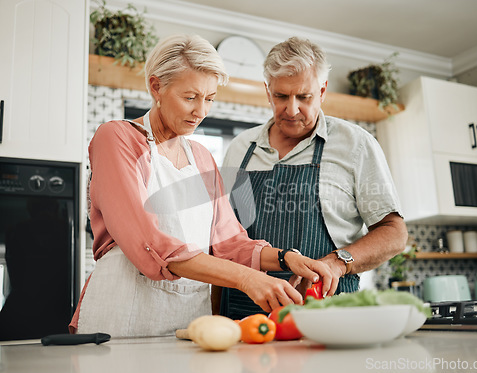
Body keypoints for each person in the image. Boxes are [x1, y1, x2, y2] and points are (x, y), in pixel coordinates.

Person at [69, 34, 334, 337]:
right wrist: (246, 279)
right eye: (190, 97)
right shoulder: (117, 139)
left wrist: (289, 258)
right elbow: (149, 244)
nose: (202, 112)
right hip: (122, 314)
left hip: (187, 319)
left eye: (209, 99)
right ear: (157, 87)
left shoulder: (203, 158)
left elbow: (229, 243)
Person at [221, 36, 408, 320]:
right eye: (281, 96)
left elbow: (394, 232)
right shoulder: (240, 148)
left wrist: (338, 263)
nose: (292, 110)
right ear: (267, 91)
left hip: (327, 312)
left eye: (304, 97)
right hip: (242, 316)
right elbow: (222, 239)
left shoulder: (355, 144)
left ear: (322, 91)